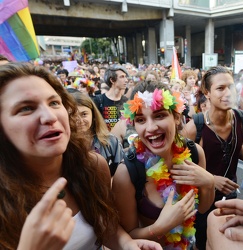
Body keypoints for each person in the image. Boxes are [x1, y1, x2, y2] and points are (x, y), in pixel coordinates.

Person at [0, 62, 161, 250]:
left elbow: (105, 225)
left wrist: (126, 244)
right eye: (26, 108)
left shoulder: (92, 166)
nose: (49, 116)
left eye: (54, 103)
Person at [112, 82, 215, 249]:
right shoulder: (127, 173)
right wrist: (159, 227)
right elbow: (127, 236)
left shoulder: (195, 153)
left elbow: (203, 208)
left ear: (175, 116)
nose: (151, 128)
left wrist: (209, 183)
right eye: (140, 120)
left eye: (159, 116)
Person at [181, 66, 243, 249]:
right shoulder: (195, 127)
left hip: (230, 194)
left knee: (226, 240)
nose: (227, 93)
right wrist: (210, 180)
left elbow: (237, 145)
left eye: (230, 87)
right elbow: (180, 163)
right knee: (202, 241)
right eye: (220, 88)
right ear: (207, 93)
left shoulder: (241, 119)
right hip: (201, 199)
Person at [71, 91, 125, 176]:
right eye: (73, 115)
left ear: (93, 114)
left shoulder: (111, 142)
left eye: (84, 114)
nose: (80, 120)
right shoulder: (64, 146)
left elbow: (122, 173)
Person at [92, 65, 129, 130]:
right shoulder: (98, 100)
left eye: (125, 77)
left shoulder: (126, 101)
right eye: (122, 77)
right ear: (112, 80)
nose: (126, 80)